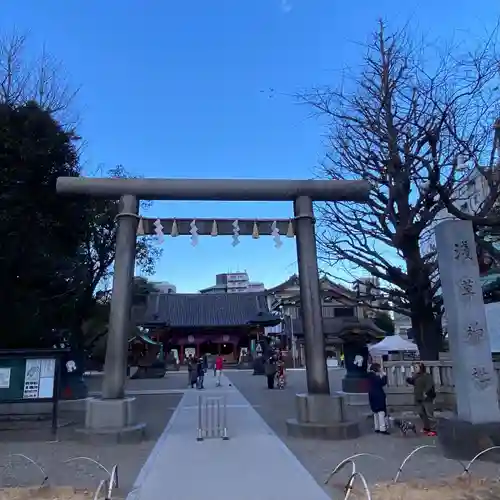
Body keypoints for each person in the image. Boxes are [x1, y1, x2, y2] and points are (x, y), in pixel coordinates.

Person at [406, 362, 436, 436]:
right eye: (414, 367)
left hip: (426, 398)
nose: (415, 369)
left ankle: (433, 429)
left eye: (416, 367)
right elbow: (413, 382)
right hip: (418, 398)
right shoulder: (416, 376)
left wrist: (426, 392)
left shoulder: (427, 376)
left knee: (429, 414)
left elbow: (430, 384)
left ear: (421, 368)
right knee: (421, 413)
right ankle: (426, 428)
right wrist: (408, 379)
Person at [367, 363, 389, 435]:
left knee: (375, 412)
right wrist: (384, 375)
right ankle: (382, 428)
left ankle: (377, 428)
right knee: (381, 412)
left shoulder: (369, 376)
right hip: (378, 395)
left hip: (372, 395)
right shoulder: (374, 377)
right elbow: (382, 383)